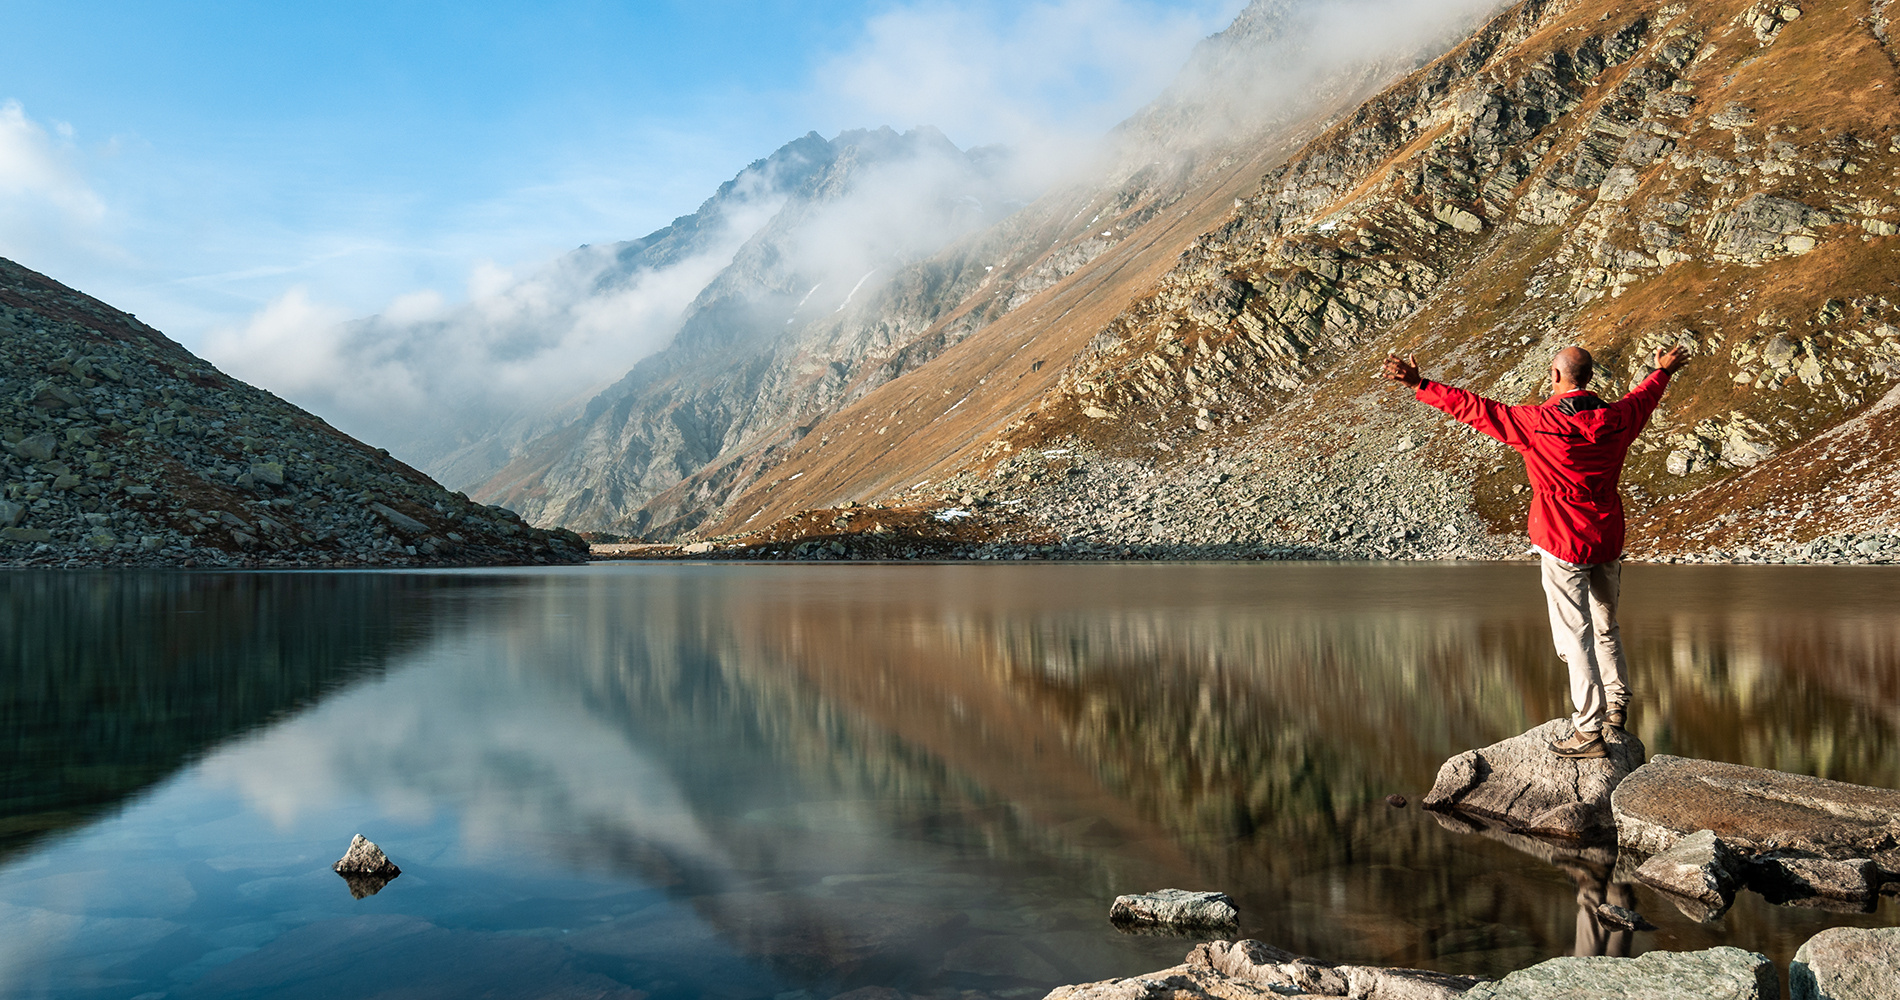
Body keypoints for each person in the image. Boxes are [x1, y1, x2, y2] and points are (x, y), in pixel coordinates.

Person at [1381, 343, 1689, 759]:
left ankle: (1588, 730)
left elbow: (1473, 409)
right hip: (1607, 538)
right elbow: (1643, 398)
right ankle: (1617, 705)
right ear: (1590, 379)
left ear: (1554, 375)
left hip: (1562, 541)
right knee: (1606, 625)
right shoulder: (1617, 419)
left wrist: (1420, 384)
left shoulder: (1535, 423)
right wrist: (1662, 372)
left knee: (1574, 636)